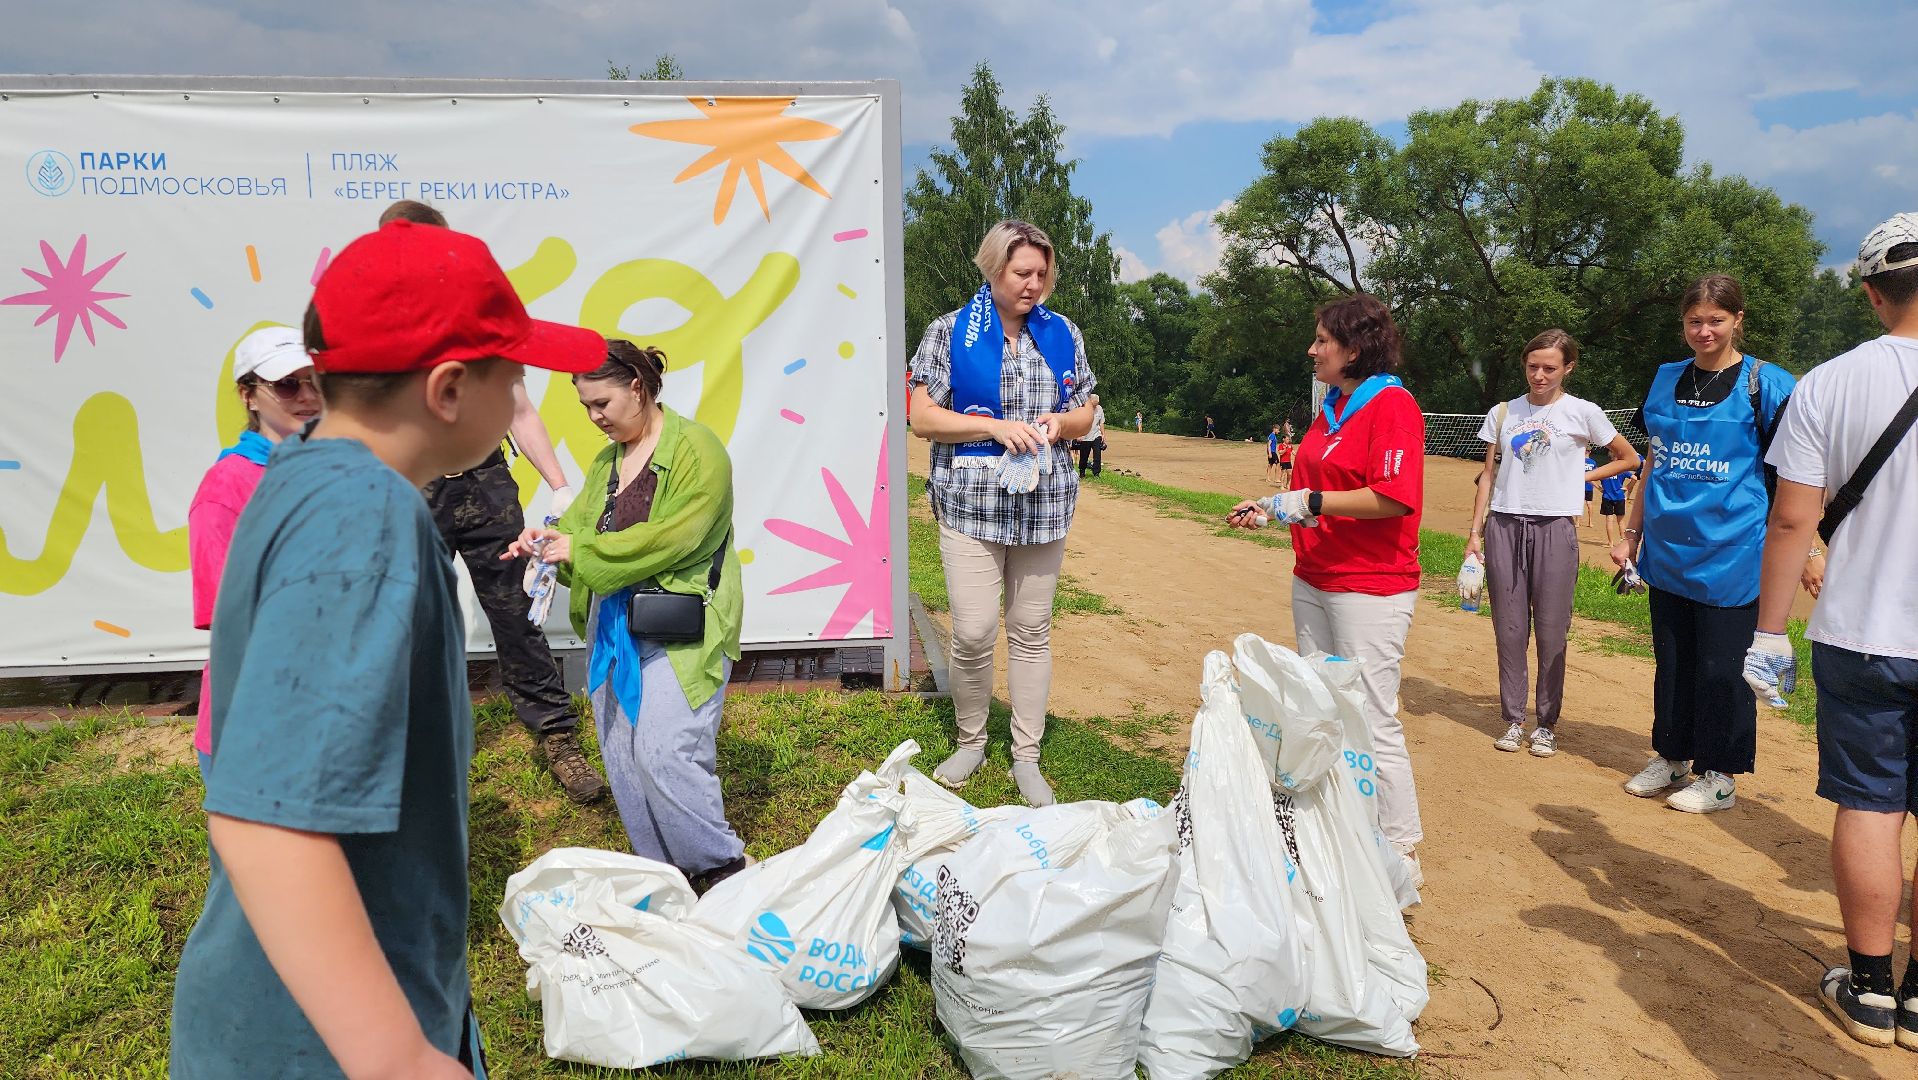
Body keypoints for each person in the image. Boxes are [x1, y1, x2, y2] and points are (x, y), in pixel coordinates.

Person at [170, 220, 606, 1078]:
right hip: (317, 1046)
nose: (523, 389)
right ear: (448, 389)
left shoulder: (302, 475)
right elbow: (267, 821)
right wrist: (396, 1054)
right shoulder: (361, 517)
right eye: (512, 370)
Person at [1744, 213, 1918, 1049]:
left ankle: (1872, 987)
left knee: (1870, 804)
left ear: (1874, 292)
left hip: (1863, 630)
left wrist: (1770, 633)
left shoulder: (1830, 382)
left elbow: (1791, 521)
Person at [377, 200, 604, 804]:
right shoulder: (376, 322)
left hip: (483, 484)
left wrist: (559, 482)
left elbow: (518, 410)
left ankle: (556, 734)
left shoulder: (477, 321)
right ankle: (399, 745)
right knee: (400, 620)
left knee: (516, 613)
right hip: (410, 490)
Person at [505, 340, 749, 895]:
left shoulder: (698, 451)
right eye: (586, 407)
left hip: (682, 622)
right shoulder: (606, 463)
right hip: (614, 625)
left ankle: (722, 870)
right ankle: (667, 876)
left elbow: (673, 538)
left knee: (665, 751)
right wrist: (549, 544)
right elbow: (582, 534)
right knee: (622, 755)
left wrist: (583, 552)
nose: (594, 419)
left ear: (638, 388)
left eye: (602, 404)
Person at [1227, 293, 1428, 888]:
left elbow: (1392, 497)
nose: (1311, 350)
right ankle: (1342, 825)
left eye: (1322, 340)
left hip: (1370, 585)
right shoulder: (1332, 405)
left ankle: (1401, 848)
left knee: (1370, 714)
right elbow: (1316, 488)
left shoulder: (1392, 405)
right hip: (1314, 576)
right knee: (1322, 706)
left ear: (1355, 348)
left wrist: (1310, 502)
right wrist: (1274, 509)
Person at [906, 219, 1098, 808]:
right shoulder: (949, 332)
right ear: (994, 270)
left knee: (1032, 630)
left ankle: (1026, 755)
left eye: (1042, 273)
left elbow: (1087, 408)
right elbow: (922, 416)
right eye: (1022, 272)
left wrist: (1061, 424)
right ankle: (970, 739)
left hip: (1043, 502)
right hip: (971, 502)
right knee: (972, 630)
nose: (1034, 284)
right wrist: (990, 425)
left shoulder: (1062, 333)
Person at [1609, 274, 1797, 813]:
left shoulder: (1768, 384)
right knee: (1673, 661)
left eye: (1716, 320)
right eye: (1695, 321)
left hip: (1734, 553)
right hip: (1668, 551)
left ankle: (1719, 773)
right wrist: (1632, 534)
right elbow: (1653, 462)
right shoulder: (1666, 378)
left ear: (1738, 319)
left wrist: (1805, 548)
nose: (1704, 330)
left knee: (1721, 668)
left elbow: (1798, 474)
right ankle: (1670, 755)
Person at [1464, 330, 1640, 757]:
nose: (1539, 375)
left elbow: (1629, 457)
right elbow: (1488, 475)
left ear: (1568, 368)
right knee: (1509, 629)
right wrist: (1474, 533)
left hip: (1555, 529)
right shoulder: (1503, 413)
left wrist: (1579, 477)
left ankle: (1546, 723)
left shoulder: (1583, 412)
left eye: (1549, 368)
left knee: (1551, 630)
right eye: (1532, 366)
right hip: (1503, 525)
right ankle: (1512, 719)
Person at [187, 327, 322, 775]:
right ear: (249, 395)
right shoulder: (227, 486)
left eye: (315, 381)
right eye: (287, 384)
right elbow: (229, 617)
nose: (307, 395)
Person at [1598, 460, 1630, 547]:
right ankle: (1623, 541)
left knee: (1609, 520)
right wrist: (1628, 487)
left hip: (1607, 497)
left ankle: (1610, 543)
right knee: (1621, 521)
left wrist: (1598, 487)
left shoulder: (1604, 469)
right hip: (1619, 497)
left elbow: (1590, 478)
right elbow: (1635, 478)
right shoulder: (1621, 469)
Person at [1075, 395, 1107, 478]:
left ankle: (1096, 473)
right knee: (1084, 456)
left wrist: (1103, 434)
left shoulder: (1099, 409)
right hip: (1085, 436)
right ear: (1090, 402)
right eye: (1094, 405)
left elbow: (1101, 423)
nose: (1095, 406)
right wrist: (1078, 435)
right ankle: (1082, 471)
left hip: (1096, 435)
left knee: (1097, 455)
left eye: (1096, 404)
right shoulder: (1083, 409)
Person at [1581, 454, 1597, 527]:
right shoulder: (1593, 462)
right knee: (1589, 504)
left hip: (1579, 485)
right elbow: (1595, 474)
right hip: (1589, 485)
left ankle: (1577, 522)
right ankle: (1590, 522)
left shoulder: (1579, 460)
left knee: (1580, 504)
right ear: (1590, 452)